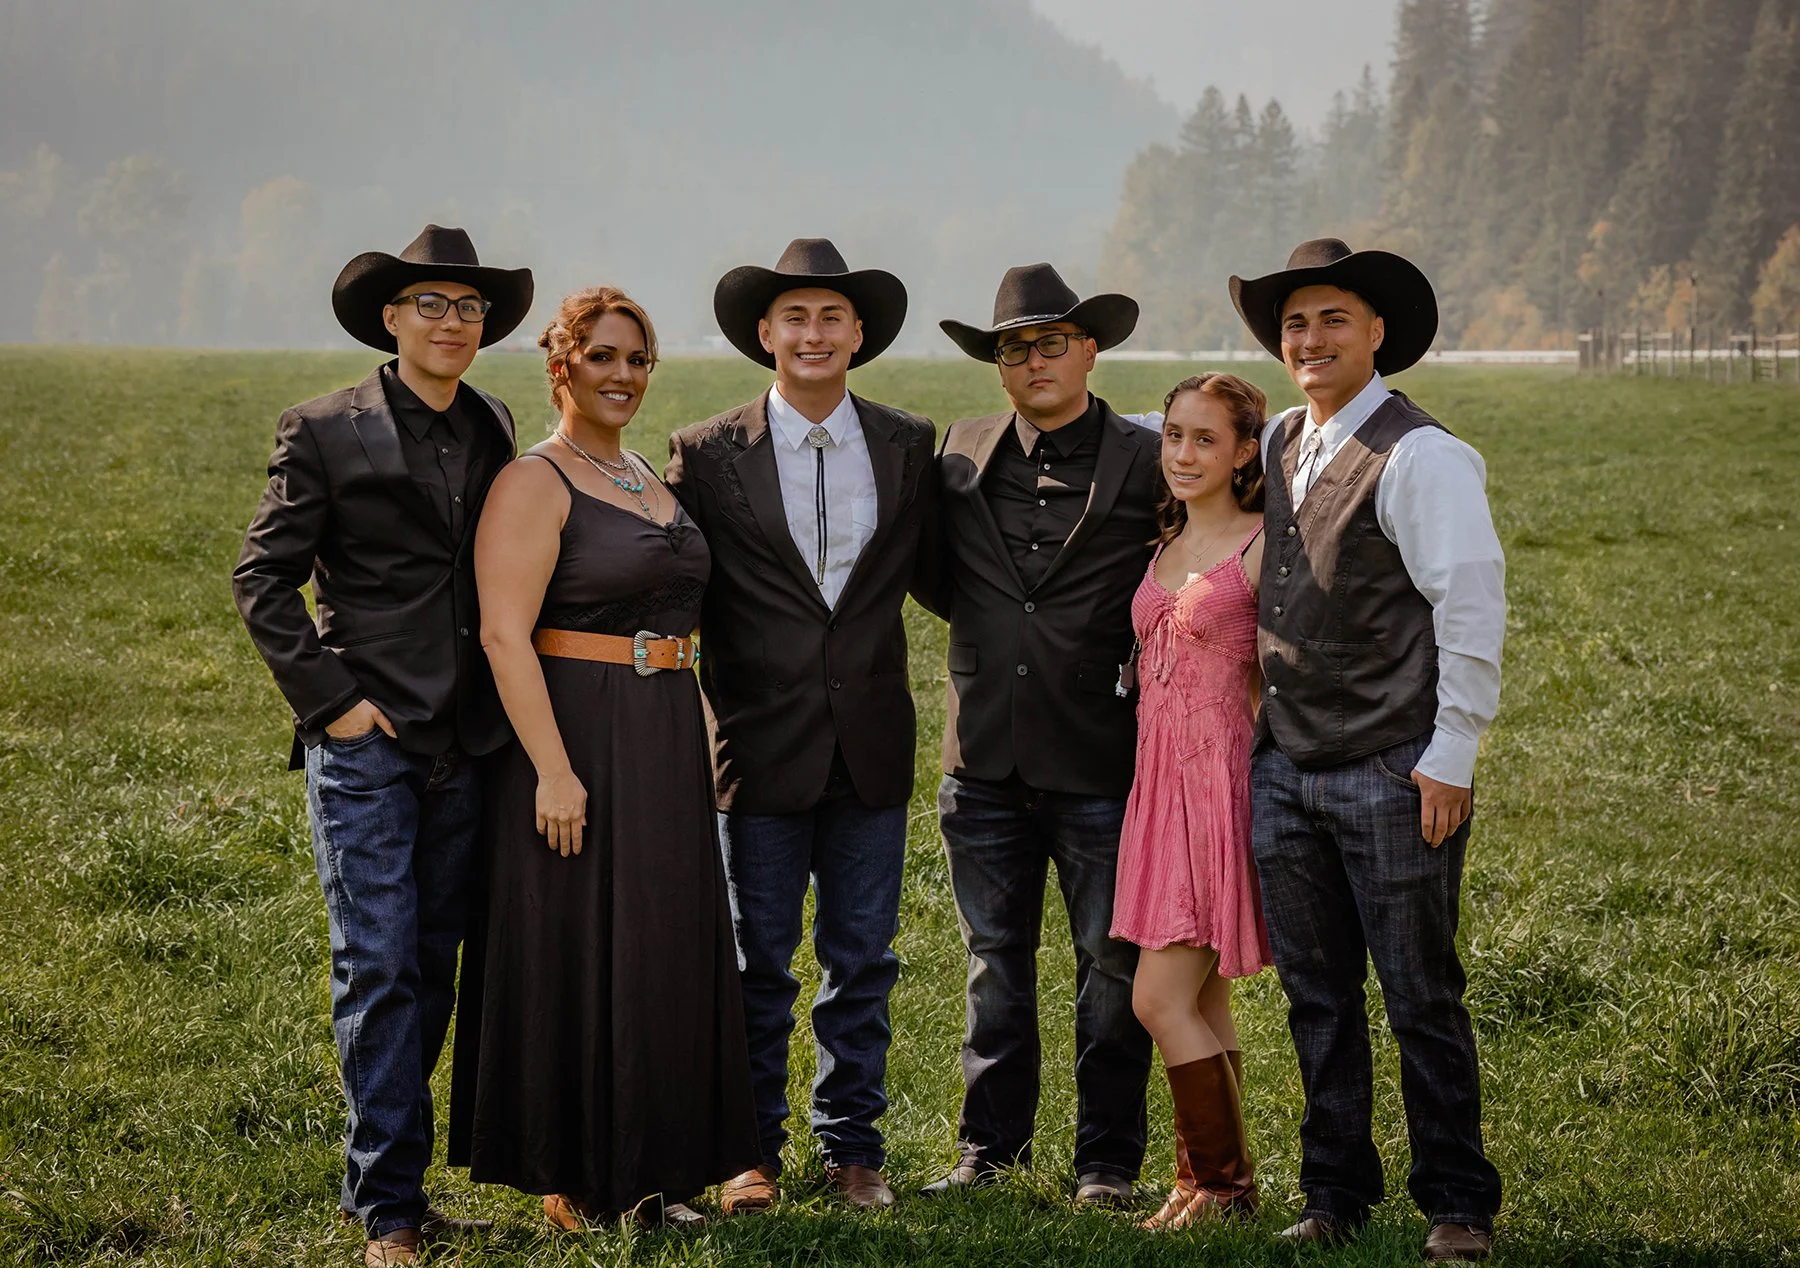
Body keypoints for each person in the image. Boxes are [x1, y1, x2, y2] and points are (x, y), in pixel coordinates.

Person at [232, 225, 532, 1267]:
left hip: (468, 741)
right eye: (432, 304)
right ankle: (387, 1210)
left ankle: (402, 1183)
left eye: (469, 307)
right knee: (377, 965)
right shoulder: (322, 427)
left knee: (437, 963)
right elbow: (261, 579)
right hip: (368, 743)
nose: (452, 322)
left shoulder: (495, 421)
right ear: (392, 318)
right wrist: (334, 704)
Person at [451, 287, 759, 1231]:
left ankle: (653, 1176)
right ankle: (578, 1179)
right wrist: (551, 768)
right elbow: (504, 634)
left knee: (659, 947)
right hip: (575, 735)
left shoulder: (647, 478)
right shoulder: (533, 481)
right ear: (562, 366)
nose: (623, 375)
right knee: (579, 947)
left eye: (637, 360)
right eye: (604, 358)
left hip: (667, 733)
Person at [1227, 238, 1506, 1262]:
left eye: (1333, 319)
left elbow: (1469, 604)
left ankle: (1459, 1200)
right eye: (1295, 322)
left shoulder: (1423, 455)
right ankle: (1334, 1185)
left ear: (1377, 331)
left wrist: (1452, 753)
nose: (1310, 338)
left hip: (1394, 765)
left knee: (1421, 991)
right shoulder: (1285, 438)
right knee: (1318, 993)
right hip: (1287, 765)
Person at [664, 239, 937, 1213]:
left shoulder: (909, 442)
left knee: (863, 959)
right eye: (795, 318)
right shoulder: (706, 453)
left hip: (869, 743)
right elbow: (670, 589)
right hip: (751, 742)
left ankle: (852, 1145)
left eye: (831, 317)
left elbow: (949, 575)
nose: (813, 333)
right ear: (764, 334)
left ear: (858, 333)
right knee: (755, 960)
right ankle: (750, 1150)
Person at [916, 263, 1157, 1208]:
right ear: (998, 367)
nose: (1032, 362)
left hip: (1102, 752)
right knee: (992, 969)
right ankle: (990, 1152)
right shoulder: (961, 452)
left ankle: (1107, 1161)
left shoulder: (1146, 456)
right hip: (981, 758)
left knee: (1110, 963)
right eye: (1013, 349)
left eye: (1051, 343)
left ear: (1089, 350)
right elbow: (939, 574)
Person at [1112, 372, 1274, 1230]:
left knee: (1157, 1000)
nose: (1182, 453)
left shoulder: (1260, 547)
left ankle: (1226, 1187)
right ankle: (1199, 1185)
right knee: (1203, 1003)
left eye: (1206, 439)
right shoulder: (1163, 542)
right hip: (1156, 787)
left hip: (1221, 789)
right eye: (1173, 435)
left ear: (1247, 450)